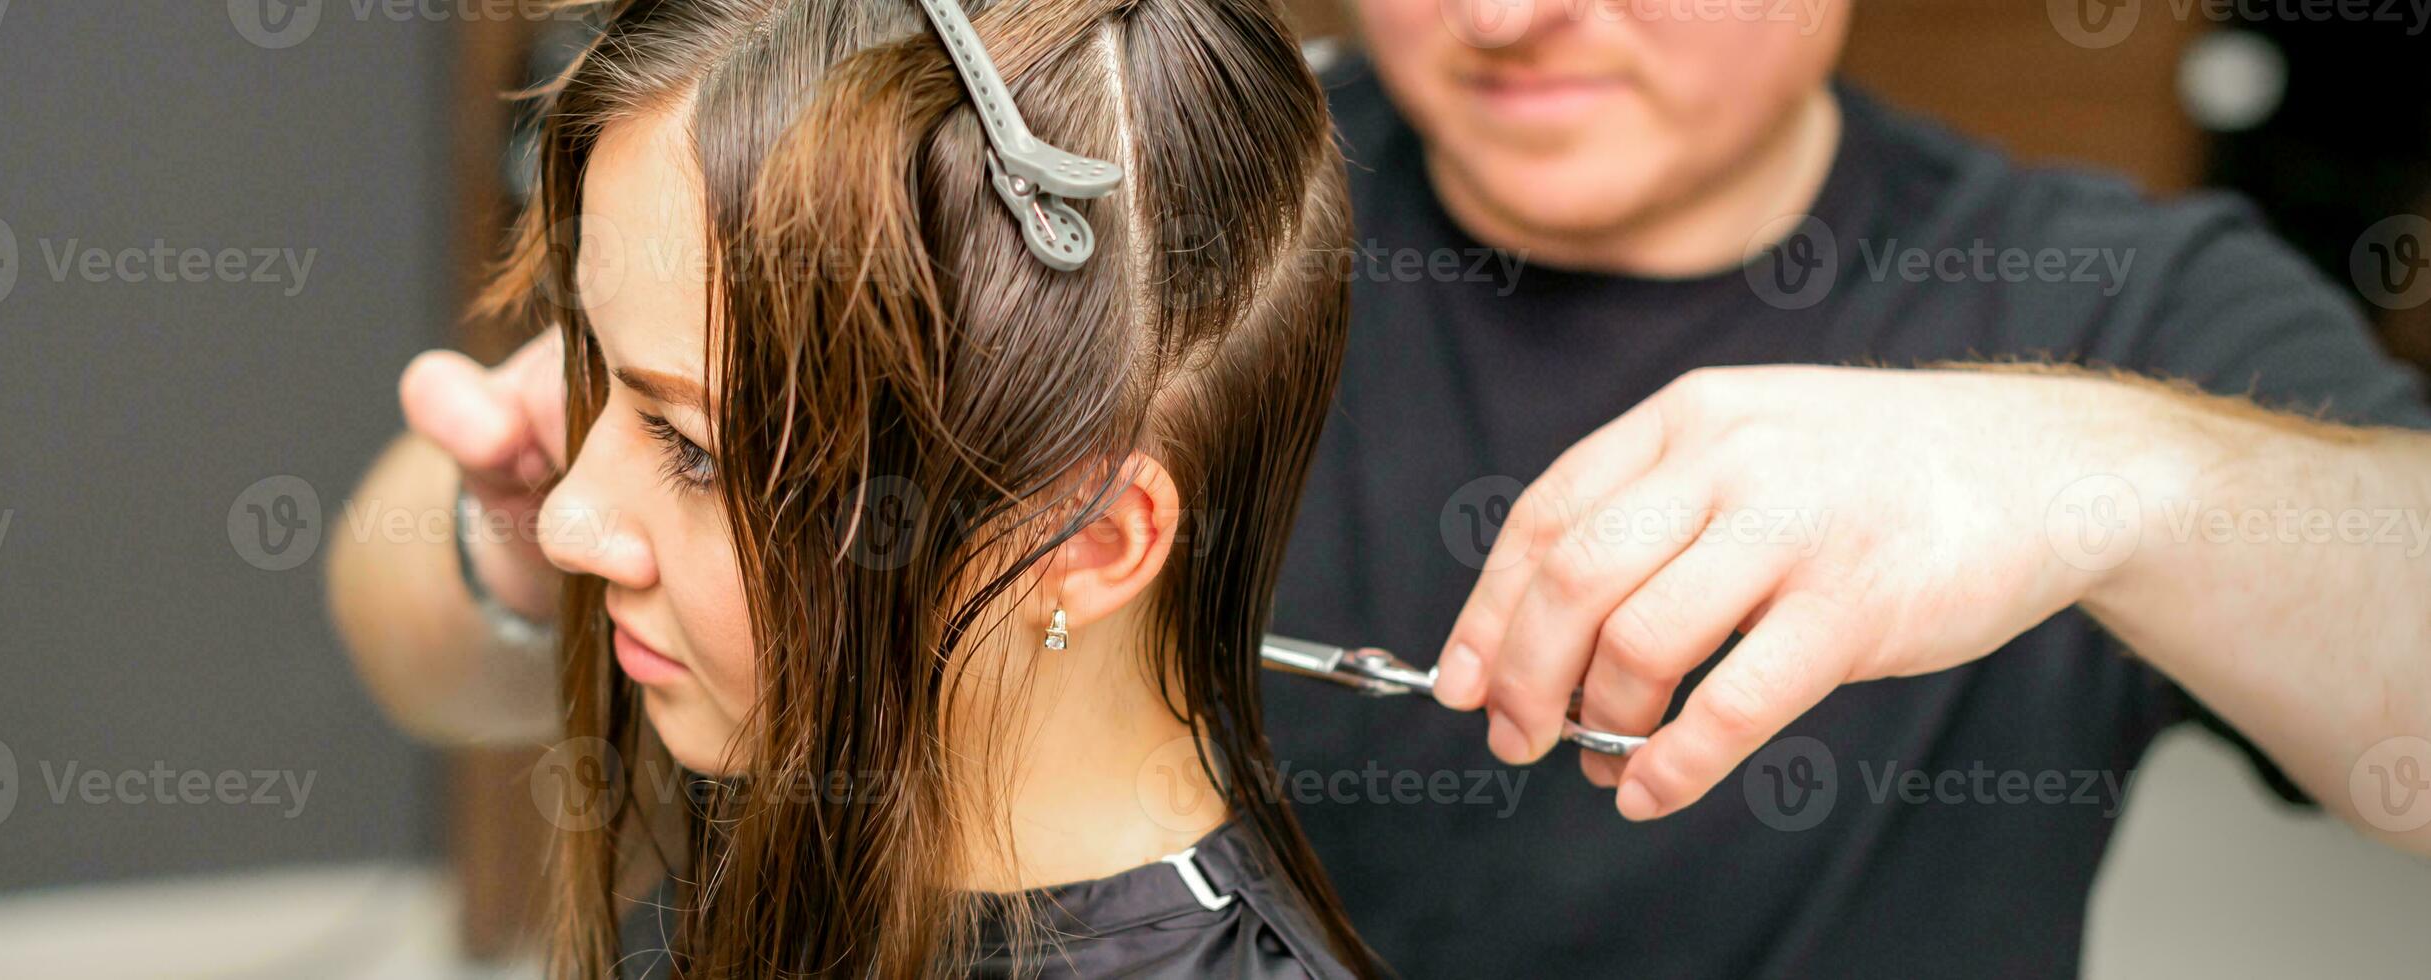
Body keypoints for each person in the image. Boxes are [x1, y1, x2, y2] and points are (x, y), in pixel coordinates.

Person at [332, 1, 2431, 976]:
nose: (1510, 15)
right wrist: (575, 509)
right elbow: (426, 639)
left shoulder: (2109, 297)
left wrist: (2125, 475)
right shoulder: (1124, 220)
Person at [351, 0, 1383, 975]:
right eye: (598, 378)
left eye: (694, 448)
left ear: (1087, 537)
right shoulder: (787, 810)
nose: (568, 523)